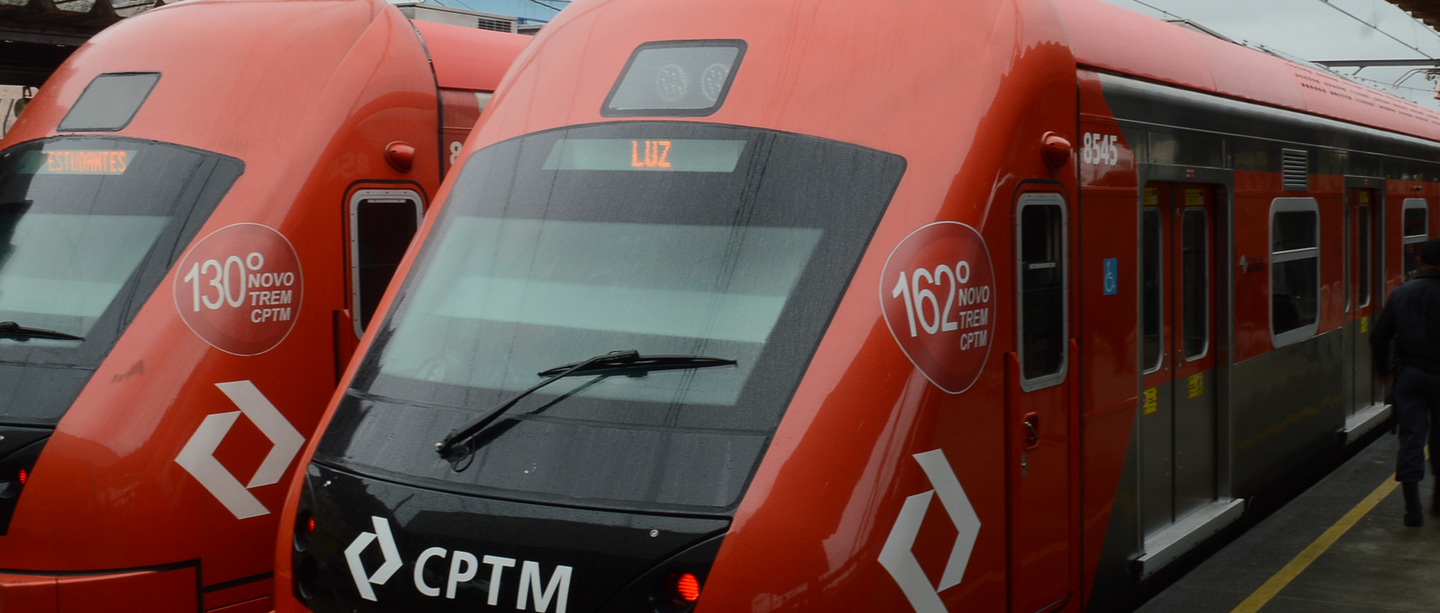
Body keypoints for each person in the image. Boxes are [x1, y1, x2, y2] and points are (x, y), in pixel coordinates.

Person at [1372, 237, 1440, 527]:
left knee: (1411, 437)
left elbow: (1379, 336)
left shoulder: (1401, 293)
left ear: (1420, 261)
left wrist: (1383, 369)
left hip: (1410, 375)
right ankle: (1438, 499)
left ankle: (1412, 510)